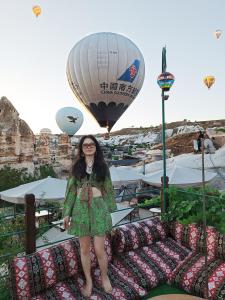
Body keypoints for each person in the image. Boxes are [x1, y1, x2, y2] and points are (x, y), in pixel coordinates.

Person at [63, 135, 117, 297]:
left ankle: (104, 276)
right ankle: (89, 280)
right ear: (81, 148)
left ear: (96, 147)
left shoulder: (102, 167)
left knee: (100, 249)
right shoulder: (76, 167)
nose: (88, 146)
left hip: (99, 208)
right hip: (80, 210)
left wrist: (109, 213)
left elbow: (108, 188)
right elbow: (71, 191)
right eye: (85, 144)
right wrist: (67, 213)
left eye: (91, 144)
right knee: (85, 248)